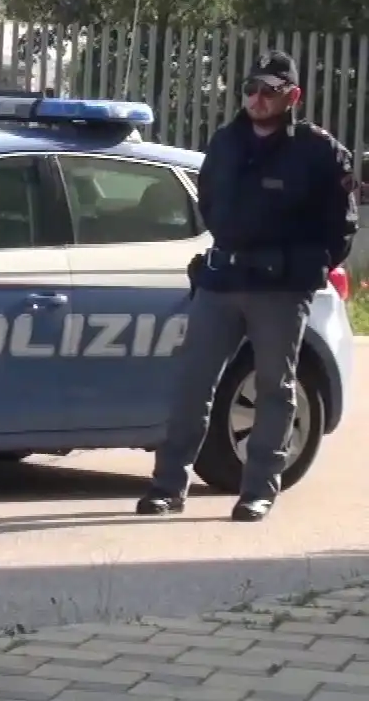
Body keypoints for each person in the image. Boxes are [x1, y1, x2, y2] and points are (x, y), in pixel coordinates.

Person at [137, 51, 357, 522]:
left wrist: (306, 269)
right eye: (252, 89)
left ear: (292, 96)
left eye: (270, 91)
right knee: (192, 384)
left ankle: (258, 489)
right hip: (222, 279)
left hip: (280, 289)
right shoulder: (227, 141)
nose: (257, 99)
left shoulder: (317, 151)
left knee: (274, 389)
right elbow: (210, 200)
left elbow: (341, 227)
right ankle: (167, 486)